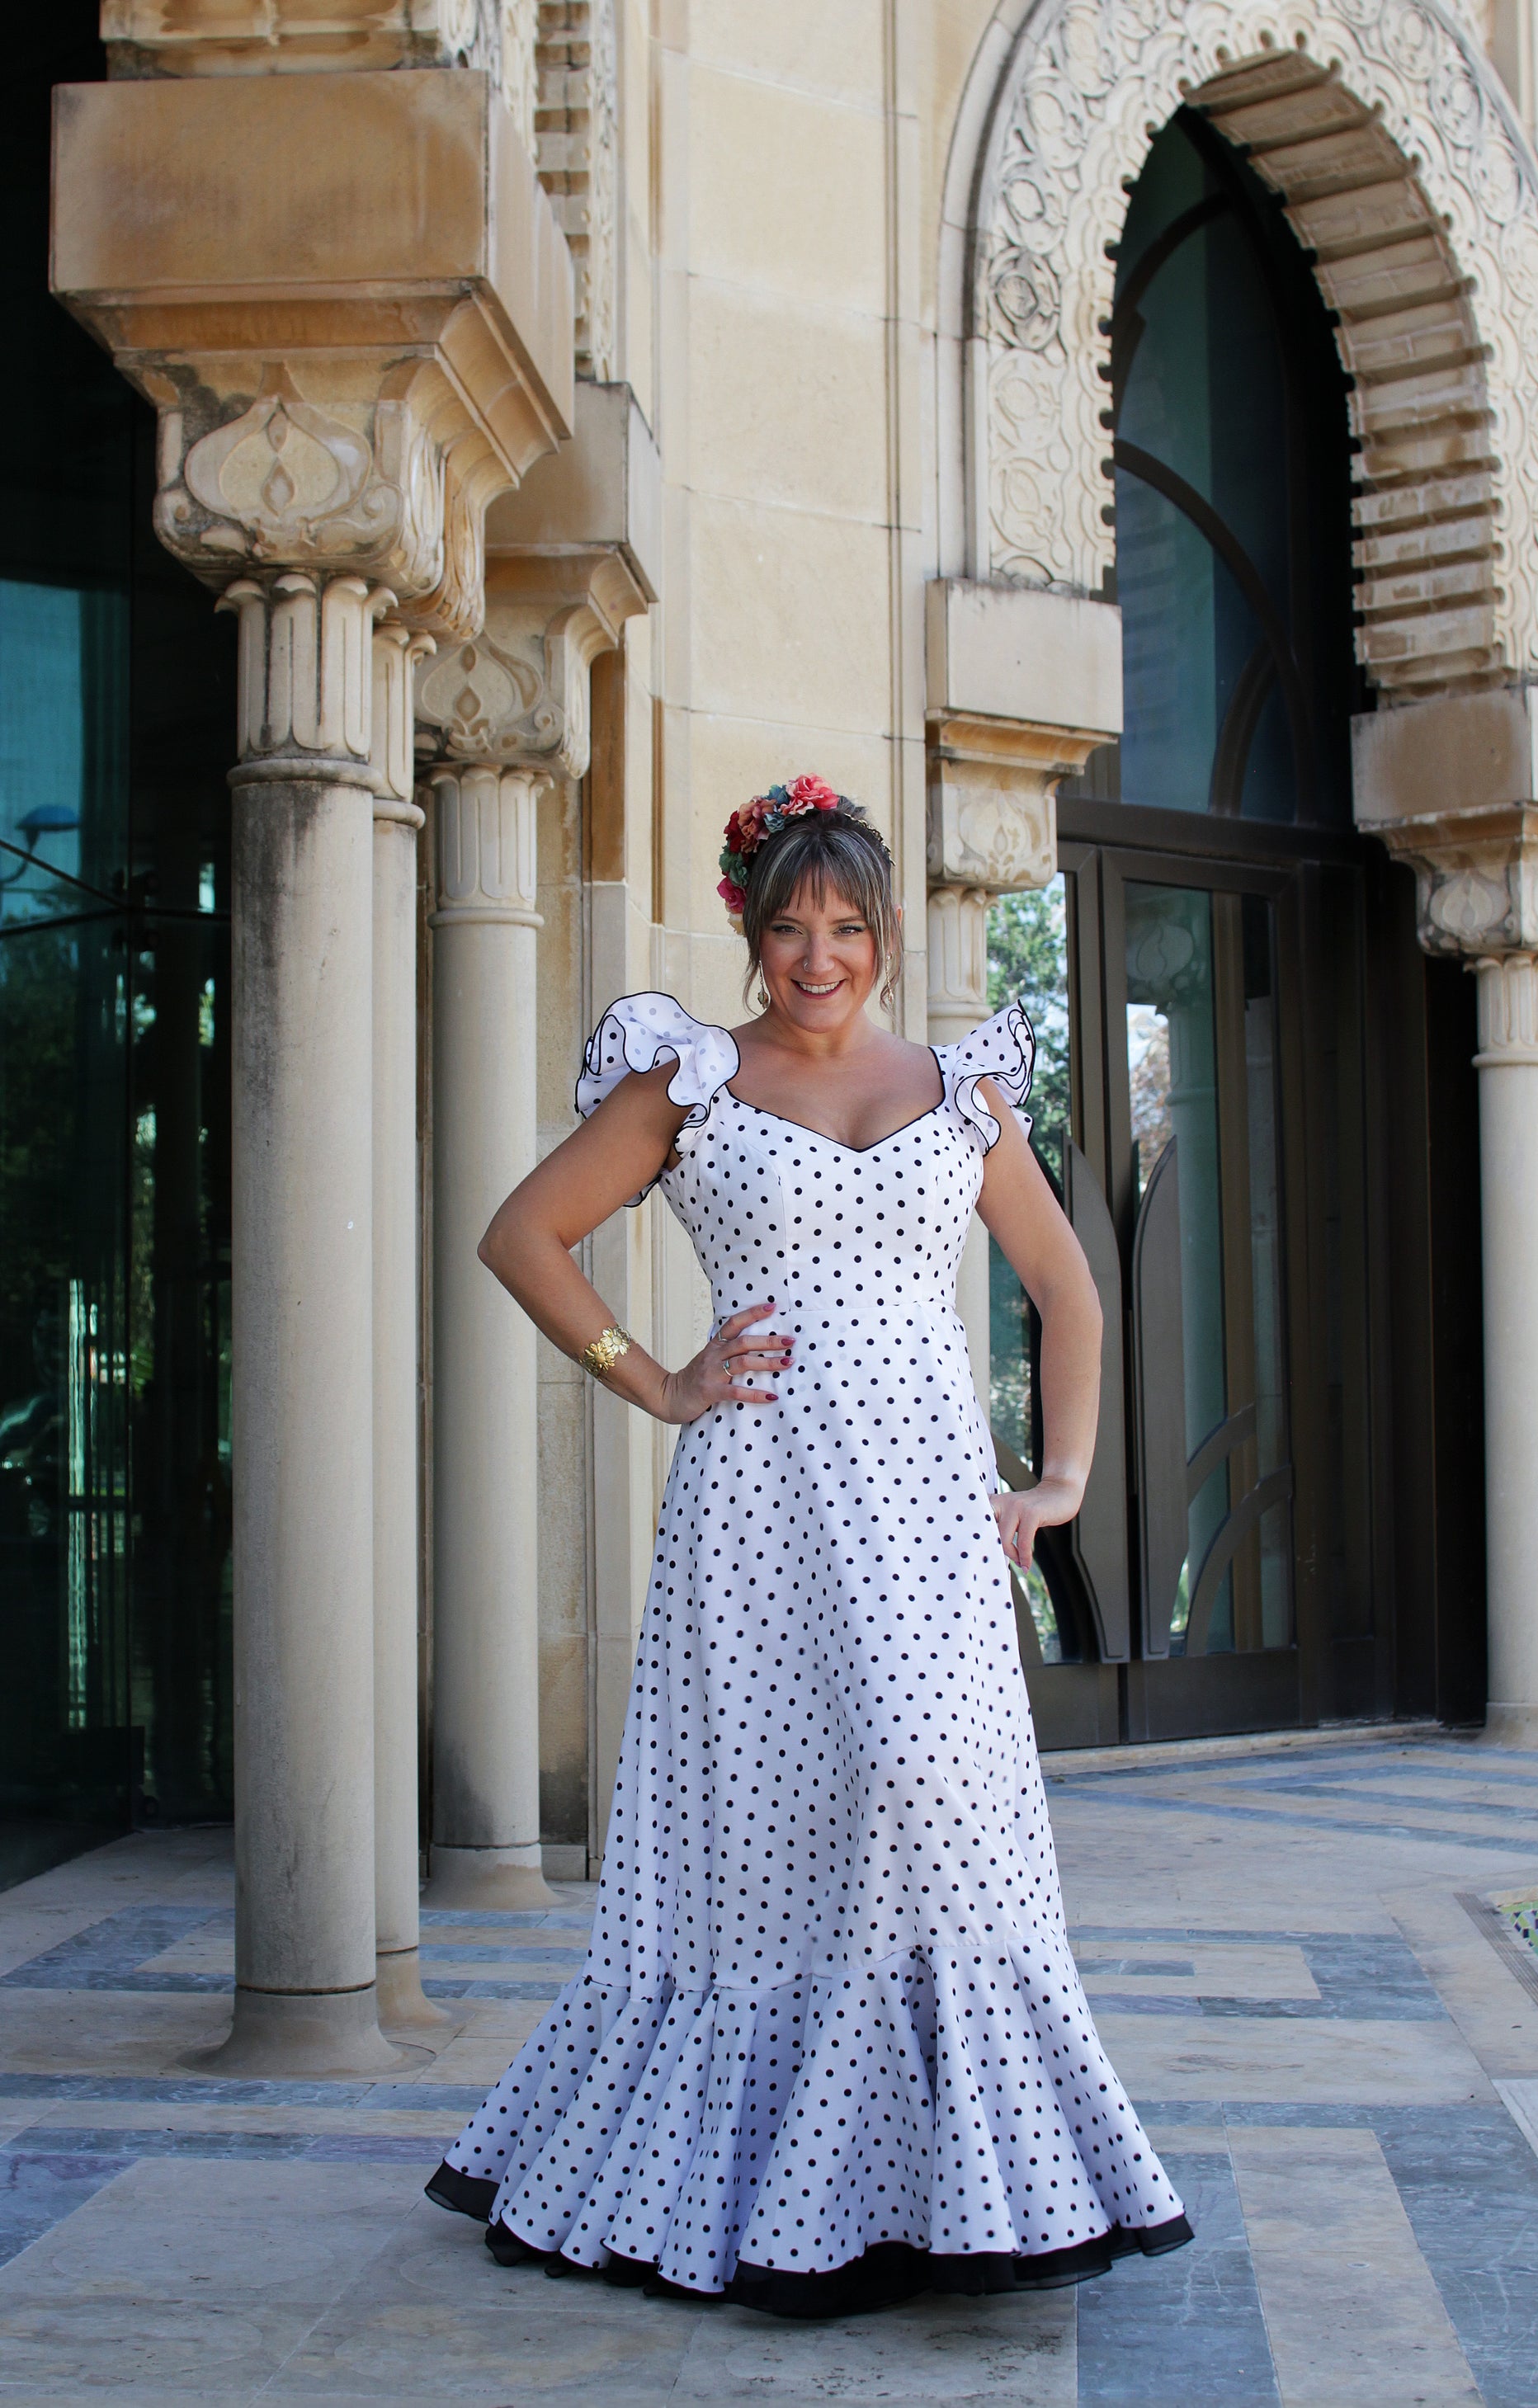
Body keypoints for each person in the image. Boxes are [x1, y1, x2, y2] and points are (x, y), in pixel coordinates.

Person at [425, 775, 1190, 2315]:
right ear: (747, 928)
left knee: (929, 1782)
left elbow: (1071, 1295)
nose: (820, 956)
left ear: (887, 929)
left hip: (924, 1503)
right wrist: (657, 1381)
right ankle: (768, 2186)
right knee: (773, 1833)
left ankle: (956, 2184)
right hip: (758, 1505)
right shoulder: (687, 1082)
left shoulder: (960, 1086)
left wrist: (1060, 1483)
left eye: (847, 925)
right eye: (790, 926)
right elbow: (519, 1236)